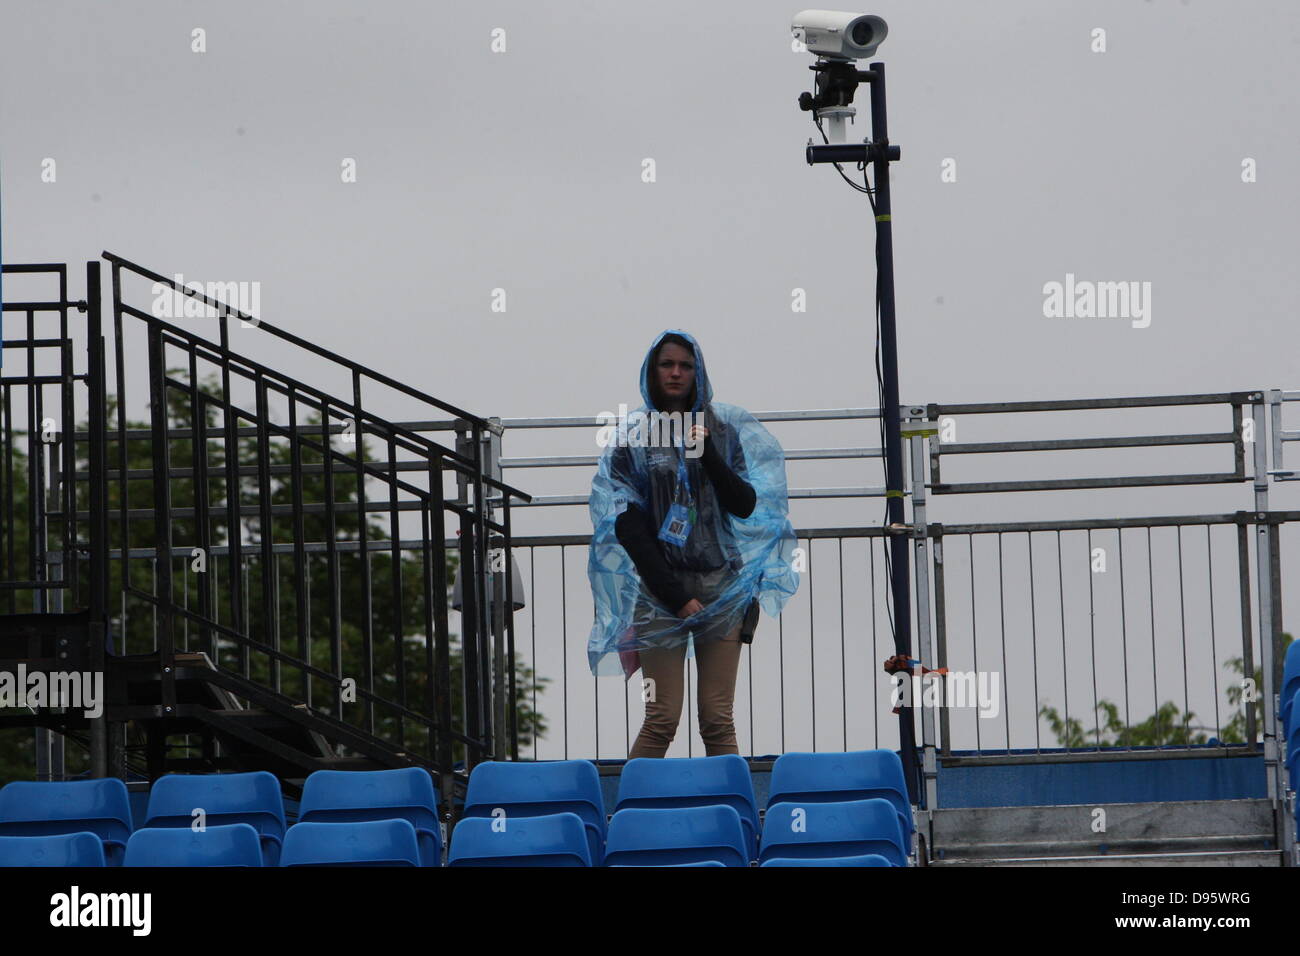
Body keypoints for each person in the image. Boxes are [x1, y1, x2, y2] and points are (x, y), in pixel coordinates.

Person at [586, 329, 798, 758]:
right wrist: (676, 596)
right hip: (661, 594)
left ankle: (730, 815)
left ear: (698, 372)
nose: (677, 373)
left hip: (722, 587)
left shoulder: (722, 430)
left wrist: (709, 457)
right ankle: (634, 817)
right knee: (661, 717)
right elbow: (628, 527)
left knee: (717, 719)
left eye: (686, 365)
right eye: (667, 364)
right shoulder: (634, 439)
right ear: (652, 371)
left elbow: (744, 504)